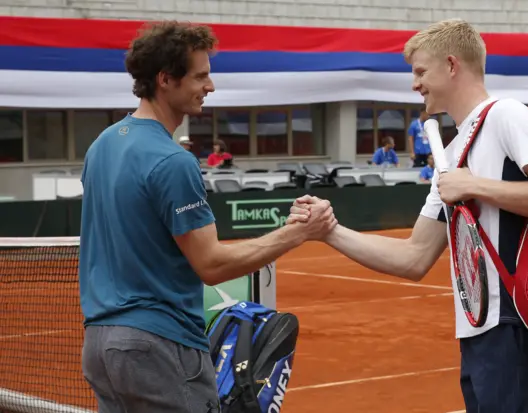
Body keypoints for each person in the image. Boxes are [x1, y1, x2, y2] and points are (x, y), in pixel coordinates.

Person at [287, 18, 528, 413]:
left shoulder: (506, 114)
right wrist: (330, 231)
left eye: (420, 71)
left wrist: (474, 186)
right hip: (478, 330)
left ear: (451, 65)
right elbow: (413, 257)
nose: (415, 83)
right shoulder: (453, 151)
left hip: (512, 326)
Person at [78, 21, 337, 413]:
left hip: (101, 347)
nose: (210, 86)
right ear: (166, 79)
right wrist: (297, 233)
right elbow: (212, 264)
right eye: (200, 76)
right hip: (159, 347)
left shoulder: (102, 145)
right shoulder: (173, 161)